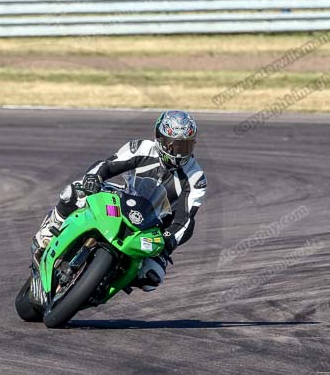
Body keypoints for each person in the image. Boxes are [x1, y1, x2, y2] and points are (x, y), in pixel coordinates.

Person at [32, 110, 207, 292]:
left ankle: (102, 285)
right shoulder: (142, 148)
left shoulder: (196, 177)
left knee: (152, 278)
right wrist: (94, 178)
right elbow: (107, 165)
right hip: (124, 201)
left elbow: (185, 219)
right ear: (159, 138)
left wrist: (169, 239)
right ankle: (47, 234)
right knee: (74, 191)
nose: (178, 153)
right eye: (174, 145)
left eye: (185, 146)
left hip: (151, 228)